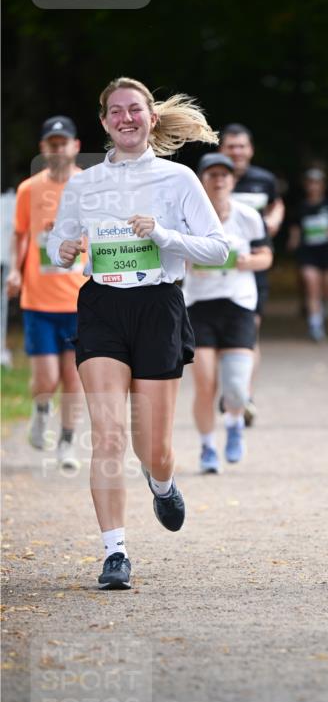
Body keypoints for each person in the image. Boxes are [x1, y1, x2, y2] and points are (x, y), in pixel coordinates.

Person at [47, 77, 230, 591]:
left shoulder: (178, 179)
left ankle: (162, 481)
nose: (126, 118)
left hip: (158, 306)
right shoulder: (83, 183)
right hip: (103, 304)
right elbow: (57, 244)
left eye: (135, 110)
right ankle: (115, 553)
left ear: (151, 118)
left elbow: (218, 248)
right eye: (116, 111)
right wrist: (61, 252)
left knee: (155, 447)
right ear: (104, 122)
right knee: (108, 435)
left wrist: (164, 234)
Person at [183, 153, 272, 471]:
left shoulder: (248, 216)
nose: (218, 181)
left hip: (238, 306)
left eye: (224, 175)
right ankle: (207, 448)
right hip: (199, 307)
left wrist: (249, 261)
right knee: (205, 384)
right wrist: (188, 259)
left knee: (235, 388)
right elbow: (172, 256)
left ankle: (234, 425)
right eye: (212, 175)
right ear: (201, 181)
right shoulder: (187, 217)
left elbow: (266, 256)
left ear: (233, 181)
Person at [7, 116, 87, 470]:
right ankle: (41, 410)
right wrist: (13, 268)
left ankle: (66, 444)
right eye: (51, 144)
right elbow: (21, 234)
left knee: (73, 378)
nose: (58, 149)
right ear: (44, 149)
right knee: (45, 378)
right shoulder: (29, 189)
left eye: (63, 142)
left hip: (79, 300)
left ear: (75, 147)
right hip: (38, 300)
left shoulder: (89, 187)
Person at [219, 124, 285, 425]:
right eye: (231, 146)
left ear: (251, 149)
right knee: (218, 338)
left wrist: (273, 220)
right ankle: (230, 387)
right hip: (215, 271)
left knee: (249, 332)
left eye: (241, 146)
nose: (237, 152)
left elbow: (277, 204)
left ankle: (244, 394)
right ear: (221, 150)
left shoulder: (264, 180)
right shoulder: (212, 179)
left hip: (253, 266)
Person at [287, 168, 328, 341]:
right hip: (308, 253)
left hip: (327, 252)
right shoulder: (301, 207)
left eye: (317, 182)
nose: (313, 186)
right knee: (312, 286)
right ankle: (315, 325)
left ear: (323, 185)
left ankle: (323, 306)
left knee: (327, 288)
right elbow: (295, 228)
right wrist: (293, 241)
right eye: (310, 182)